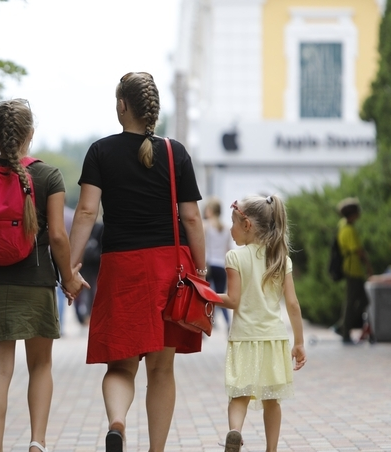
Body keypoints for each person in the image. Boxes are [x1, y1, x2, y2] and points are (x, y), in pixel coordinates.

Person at [67, 71, 206, 452]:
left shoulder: (100, 151)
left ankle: (117, 422)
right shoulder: (175, 152)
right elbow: (191, 217)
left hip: (122, 268)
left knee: (120, 366)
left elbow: (86, 212)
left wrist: (70, 267)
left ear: (122, 105)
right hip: (168, 269)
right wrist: (201, 270)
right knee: (161, 369)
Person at [0, 98, 86, 452]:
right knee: (40, 366)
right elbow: (57, 236)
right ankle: (37, 442)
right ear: (30, 133)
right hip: (36, 281)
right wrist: (69, 278)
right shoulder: (47, 176)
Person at [217, 195, 306, 452]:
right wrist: (299, 342)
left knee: (239, 395)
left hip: (243, 338)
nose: (230, 228)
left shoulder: (235, 257)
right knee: (272, 401)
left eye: (233, 222)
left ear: (247, 226)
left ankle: (235, 431)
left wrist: (205, 296)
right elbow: (293, 305)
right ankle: (271, 449)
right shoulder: (280, 259)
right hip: (273, 339)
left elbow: (233, 300)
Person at [335, 197, 373, 344]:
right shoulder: (349, 230)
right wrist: (368, 266)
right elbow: (359, 251)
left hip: (351, 268)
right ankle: (344, 329)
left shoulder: (342, 225)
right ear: (353, 213)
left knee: (360, 300)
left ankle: (343, 326)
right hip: (353, 269)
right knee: (354, 301)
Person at [203, 197, 232, 329]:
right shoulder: (226, 228)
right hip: (221, 265)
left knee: (206, 296)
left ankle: (206, 323)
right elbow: (228, 249)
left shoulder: (206, 226)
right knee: (221, 297)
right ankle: (228, 322)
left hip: (209, 265)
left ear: (211, 210)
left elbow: (203, 247)